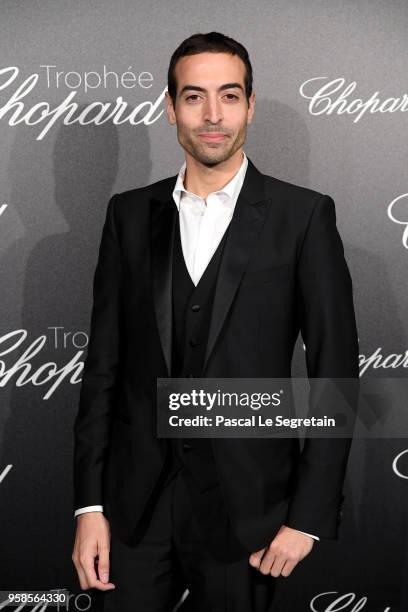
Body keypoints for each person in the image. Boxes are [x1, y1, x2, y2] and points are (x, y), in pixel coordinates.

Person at [72, 31, 359, 611]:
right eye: (194, 96)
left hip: (249, 514)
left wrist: (307, 517)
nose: (212, 115)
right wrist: (89, 506)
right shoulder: (128, 215)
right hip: (133, 511)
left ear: (250, 105)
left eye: (228, 96)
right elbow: (102, 367)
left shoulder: (303, 216)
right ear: (171, 106)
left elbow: (337, 374)